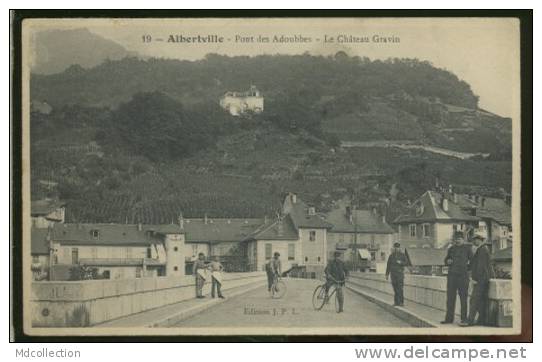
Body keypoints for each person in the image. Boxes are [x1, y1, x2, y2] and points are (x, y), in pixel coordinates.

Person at [441, 231, 473, 326]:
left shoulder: (468, 249)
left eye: (459, 239)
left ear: (463, 239)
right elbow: (446, 260)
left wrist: (466, 269)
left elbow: (472, 262)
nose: (457, 241)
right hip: (452, 277)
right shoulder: (451, 249)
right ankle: (449, 319)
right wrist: (448, 261)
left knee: (463, 299)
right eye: (456, 239)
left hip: (463, 277)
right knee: (450, 298)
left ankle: (464, 319)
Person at [463, 234, 494, 326]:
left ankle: (470, 321)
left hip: (481, 280)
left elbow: (481, 266)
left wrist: (476, 279)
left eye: (475, 240)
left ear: (479, 240)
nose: (473, 242)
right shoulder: (483, 249)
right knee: (481, 301)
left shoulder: (482, 250)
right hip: (484, 279)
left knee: (474, 300)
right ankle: (482, 320)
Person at [386, 242, 408, 307]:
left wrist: (400, 262)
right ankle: (396, 302)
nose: (396, 249)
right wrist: (387, 274)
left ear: (399, 248)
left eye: (397, 248)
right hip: (393, 275)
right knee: (395, 288)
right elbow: (388, 265)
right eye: (395, 248)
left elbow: (406, 263)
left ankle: (401, 302)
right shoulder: (391, 256)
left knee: (400, 288)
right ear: (394, 248)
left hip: (400, 274)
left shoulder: (402, 255)